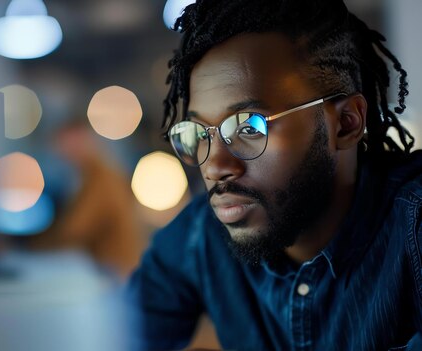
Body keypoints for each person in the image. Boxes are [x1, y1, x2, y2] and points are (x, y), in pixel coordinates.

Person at [127, 0, 422, 350]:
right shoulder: (201, 236)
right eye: (200, 133)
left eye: (249, 127)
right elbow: (118, 335)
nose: (215, 166)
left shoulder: (412, 227)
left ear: (346, 123)